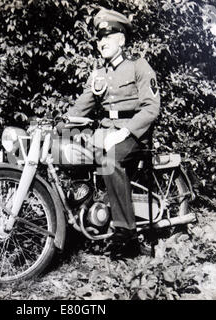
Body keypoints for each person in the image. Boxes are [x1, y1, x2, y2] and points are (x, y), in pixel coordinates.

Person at [57, 8, 161, 256]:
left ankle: (126, 235)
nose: (102, 42)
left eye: (108, 36)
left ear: (121, 40)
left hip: (135, 134)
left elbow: (150, 109)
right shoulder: (99, 75)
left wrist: (124, 132)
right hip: (105, 132)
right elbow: (81, 108)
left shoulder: (139, 66)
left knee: (110, 158)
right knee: (68, 152)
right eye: (99, 38)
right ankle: (85, 214)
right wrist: (59, 127)